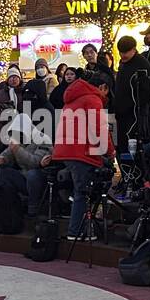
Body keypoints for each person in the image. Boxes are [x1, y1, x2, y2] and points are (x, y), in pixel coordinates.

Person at [45, 69, 114, 241]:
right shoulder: (92, 99)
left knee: (79, 189)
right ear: (103, 87)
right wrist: (110, 151)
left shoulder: (74, 96)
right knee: (82, 192)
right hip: (79, 151)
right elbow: (99, 129)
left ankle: (79, 225)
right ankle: (76, 231)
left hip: (65, 150)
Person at [0, 112, 54, 219]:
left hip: (40, 178)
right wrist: (2, 159)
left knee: (32, 174)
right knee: (2, 172)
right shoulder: (18, 140)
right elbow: (6, 154)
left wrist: (18, 150)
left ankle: (33, 207)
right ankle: (11, 203)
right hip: (24, 177)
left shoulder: (43, 139)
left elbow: (35, 163)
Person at [113, 35, 150, 157]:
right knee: (123, 147)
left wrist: (134, 105)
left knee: (133, 147)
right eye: (121, 52)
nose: (123, 55)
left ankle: (136, 173)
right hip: (122, 114)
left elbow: (148, 91)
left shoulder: (142, 64)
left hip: (135, 114)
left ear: (134, 49)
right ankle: (127, 173)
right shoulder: (122, 64)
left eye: (126, 52)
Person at [0, 65, 24, 133]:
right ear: (7, 80)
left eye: (16, 77)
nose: (13, 79)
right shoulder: (1, 94)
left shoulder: (25, 93)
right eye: (11, 77)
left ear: (19, 79)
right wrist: (2, 114)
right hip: (4, 129)